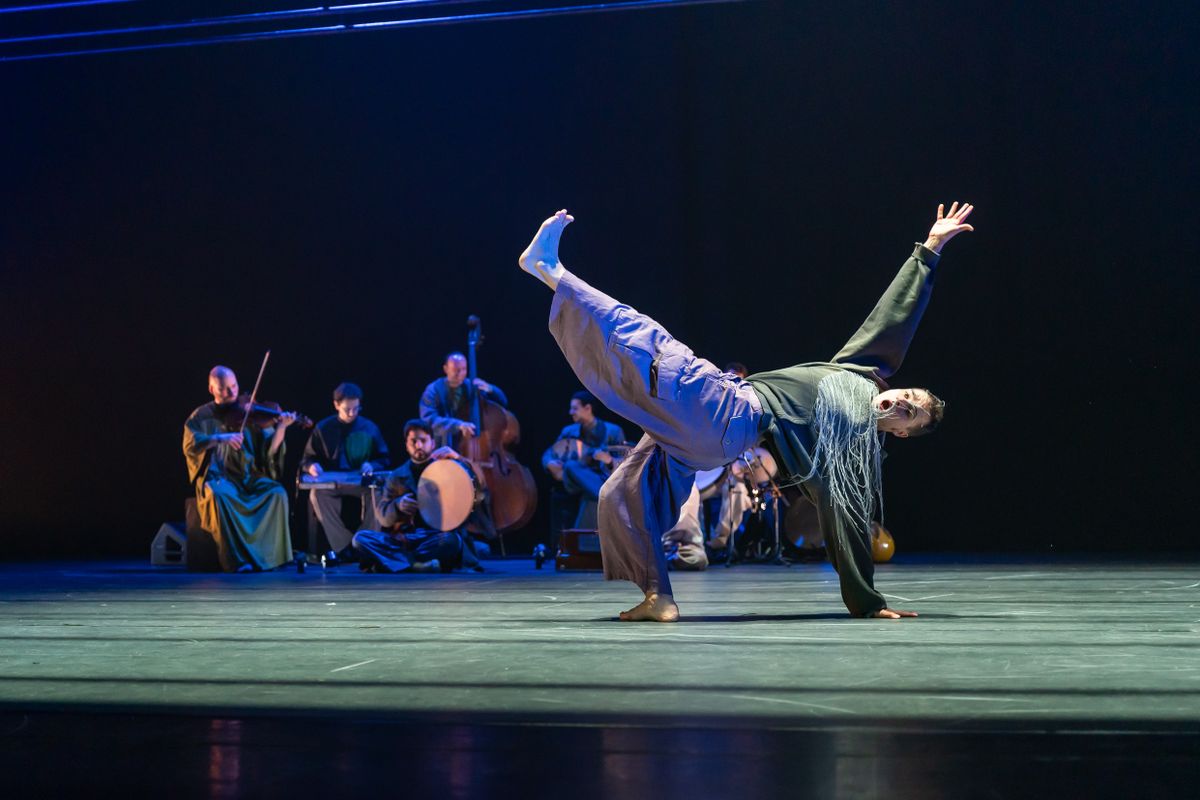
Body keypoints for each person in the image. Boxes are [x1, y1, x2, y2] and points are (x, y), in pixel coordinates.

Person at [517, 203, 971, 621]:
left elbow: (846, 518)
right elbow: (892, 318)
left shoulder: (853, 446)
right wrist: (929, 250)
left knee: (646, 339)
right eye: (911, 395)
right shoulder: (856, 372)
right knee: (626, 491)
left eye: (911, 414)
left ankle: (551, 269)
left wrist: (868, 602)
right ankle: (659, 597)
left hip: (726, 414)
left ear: (902, 433)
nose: (905, 403)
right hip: (708, 434)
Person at [182, 366, 296, 572]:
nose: (231, 392)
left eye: (234, 386)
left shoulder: (249, 411)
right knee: (219, 495)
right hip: (220, 476)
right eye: (224, 389)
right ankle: (237, 560)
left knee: (277, 493)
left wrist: (281, 428)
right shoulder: (201, 416)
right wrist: (219, 438)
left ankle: (271, 558)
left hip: (249, 475)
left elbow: (269, 451)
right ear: (211, 389)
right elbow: (191, 445)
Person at [351, 419, 481, 573]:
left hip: (434, 537)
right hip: (405, 539)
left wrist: (459, 459)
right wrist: (398, 505)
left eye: (423, 441)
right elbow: (383, 518)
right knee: (360, 539)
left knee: (451, 541)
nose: (418, 445)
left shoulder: (447, 468)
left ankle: (398, 563)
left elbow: (478, 488)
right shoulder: (397, 476)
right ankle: (416, 564)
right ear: (407, 445)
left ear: (432, 443)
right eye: (413, 441)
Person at [300, 382, 390, 558]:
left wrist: (372, 465)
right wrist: (311, 466)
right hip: (333, 482)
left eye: (356, 409)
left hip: (360, 481)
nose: (352, 413)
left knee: (378, 493)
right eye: (347, 409)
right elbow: (307, 458)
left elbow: (384, 458)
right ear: (336, 405)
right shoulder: (323, 428)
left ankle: (365, 542)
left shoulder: (369, 427)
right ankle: (344, 546)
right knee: (316, 494)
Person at [543, 390, 628, 533]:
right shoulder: (569, 431)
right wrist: (549, 463)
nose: (571, 412)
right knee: (571, 465)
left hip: (603, 478)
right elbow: (549, 453)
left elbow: (624, 464)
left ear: (588, 408)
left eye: (574, 408)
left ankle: (599, 494)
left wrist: (609, 460)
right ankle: (604, 495)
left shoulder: (613, 431)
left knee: (590, 496)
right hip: (576, 481)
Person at [418, 352, 509, 447]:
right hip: (442, 446)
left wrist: (491, 389)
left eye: (464, 369)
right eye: (456, 370)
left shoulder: (472, 387)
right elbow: (428, 420)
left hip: (470, 445)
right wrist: (458, 425)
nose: (460, 374)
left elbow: (503, 402)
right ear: (445, 369)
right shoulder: (433, 390)